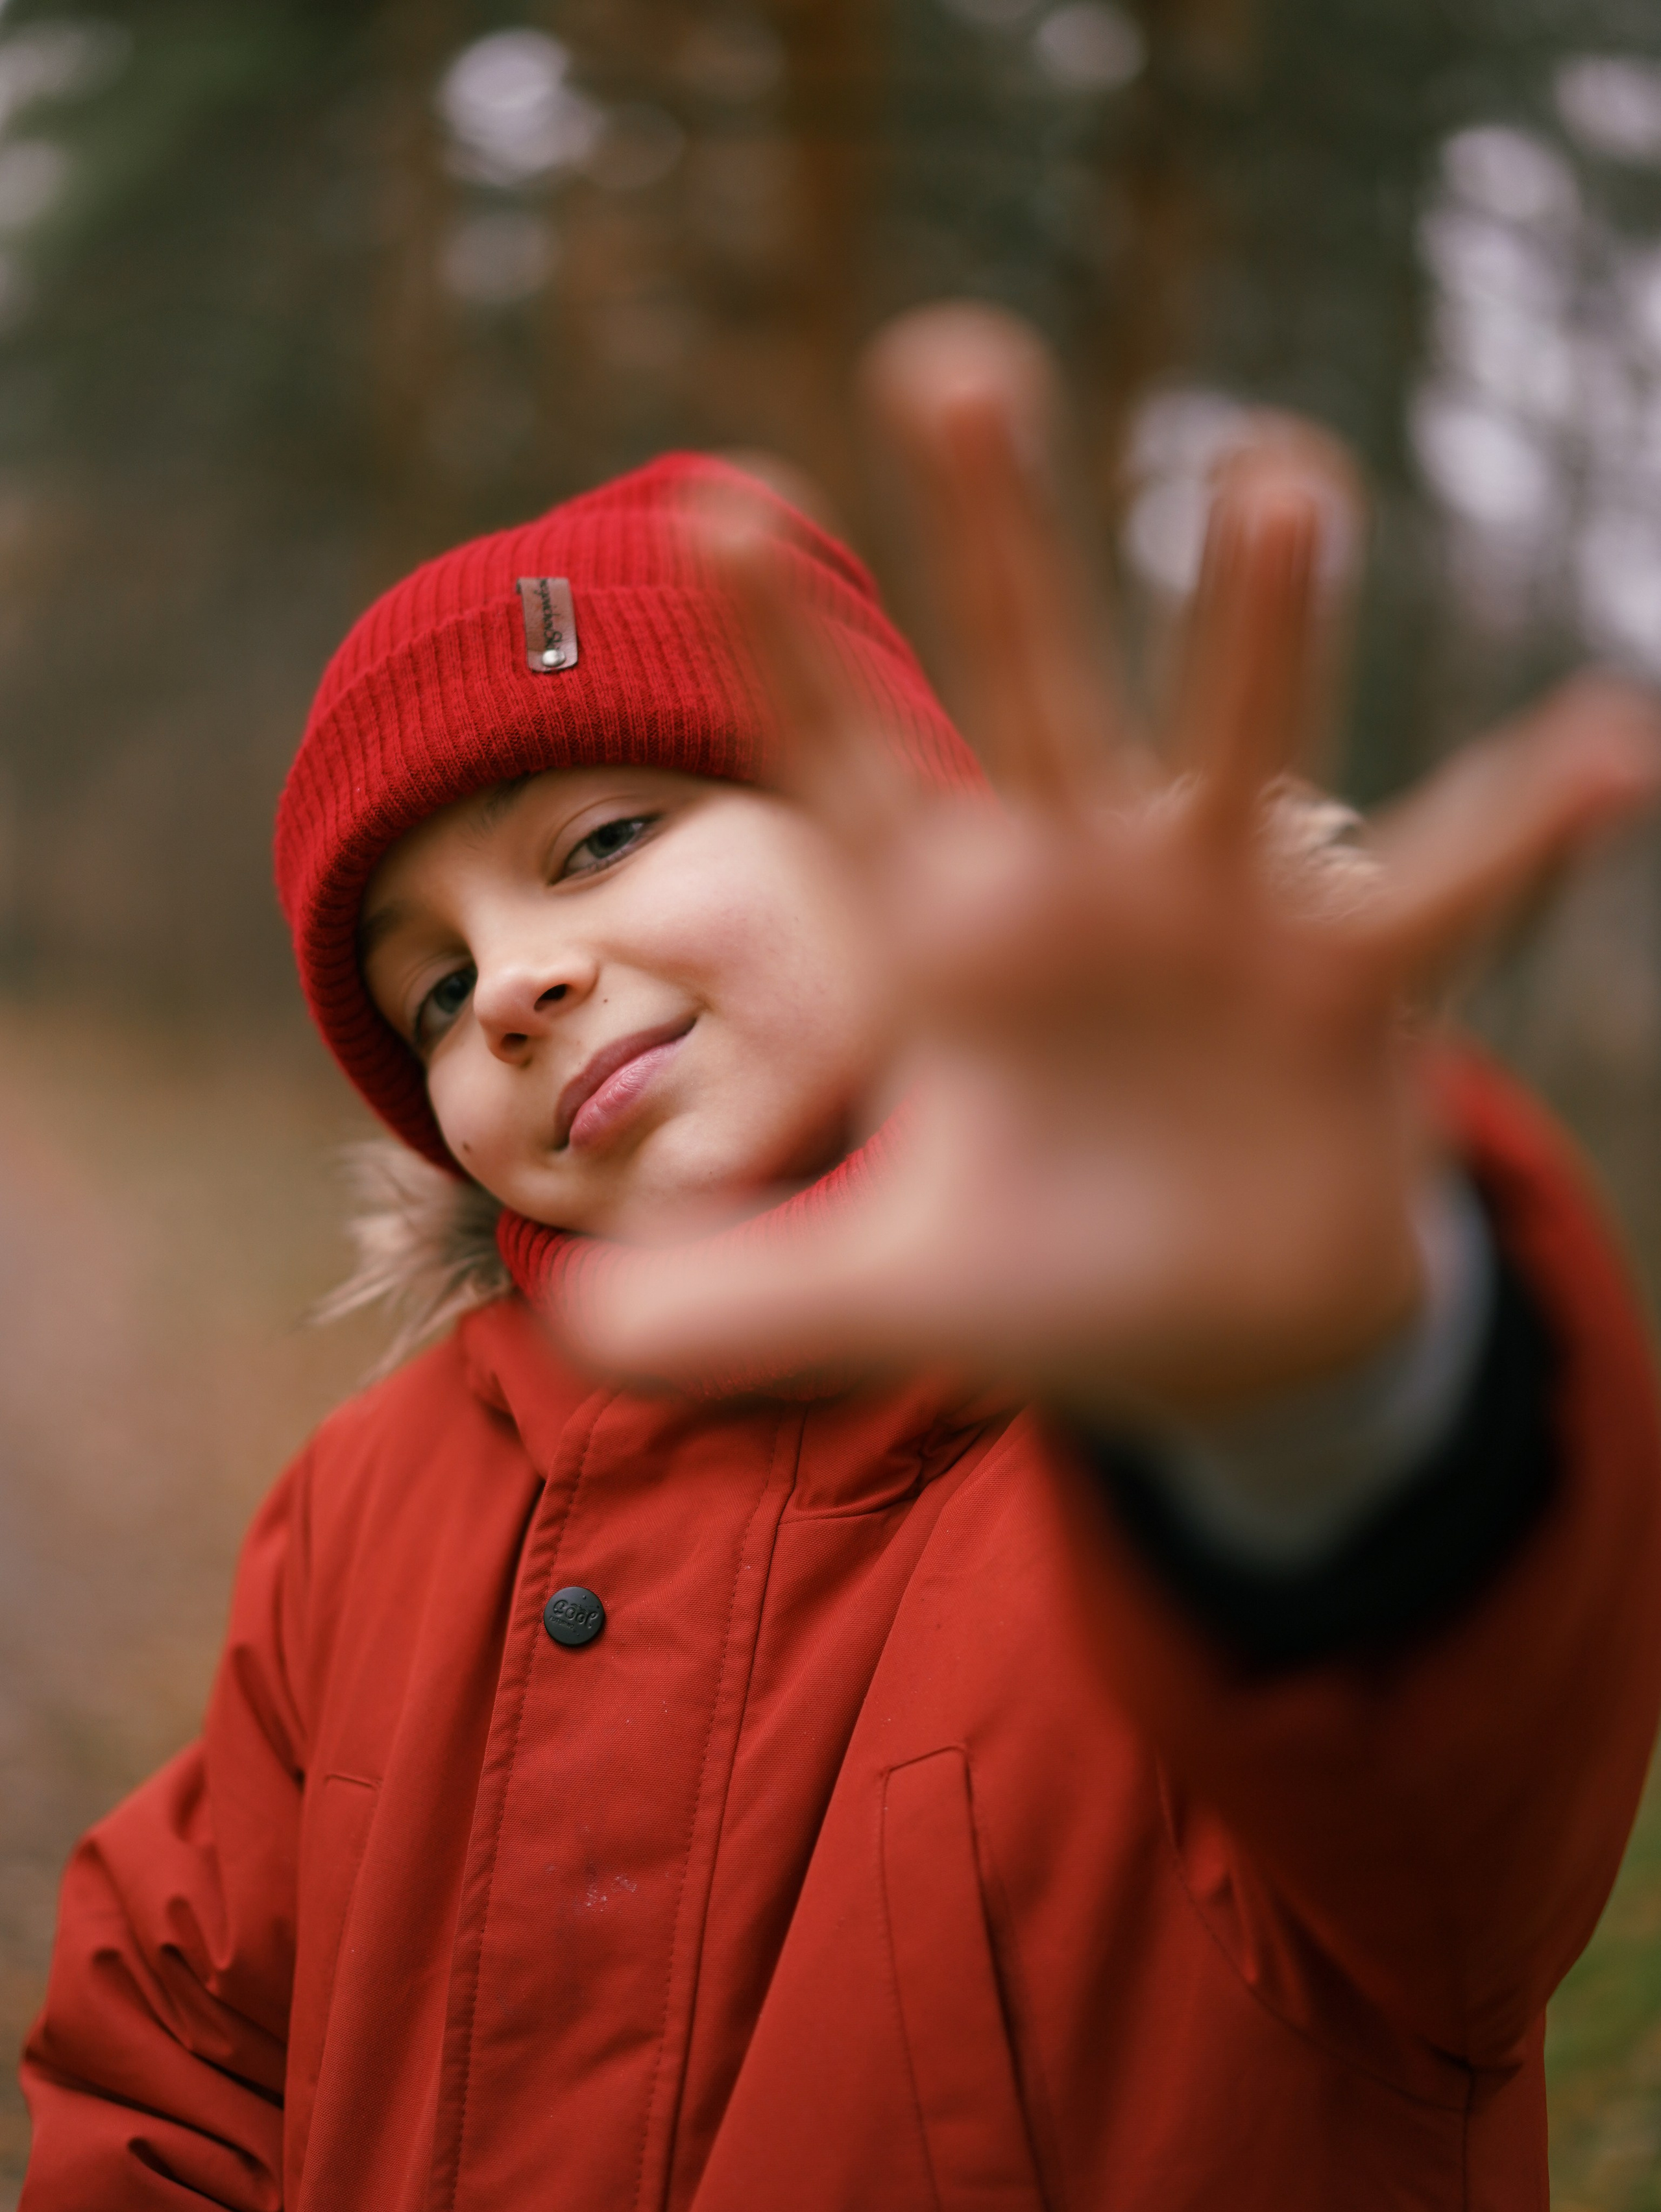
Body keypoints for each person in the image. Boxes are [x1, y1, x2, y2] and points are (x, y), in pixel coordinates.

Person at [17, 306, 1661, 2211]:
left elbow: (1447, 1767)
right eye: (437, 989)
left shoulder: (1183, 1443)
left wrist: (1320, 1389)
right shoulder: (365, 1507)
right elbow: (178, 2061)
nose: (518, 983)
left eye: (601, 840)